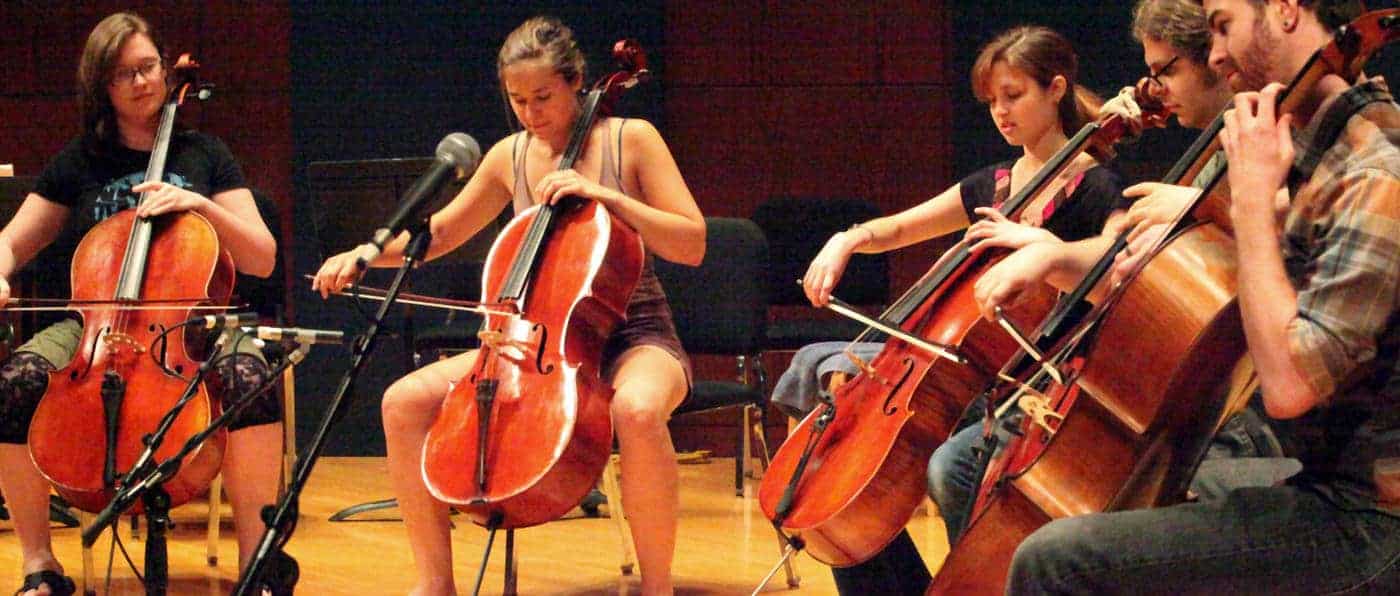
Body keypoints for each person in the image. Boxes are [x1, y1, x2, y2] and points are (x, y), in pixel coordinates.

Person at [993, 0, 1400, 592]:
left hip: (1366, 517)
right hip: (1325, 480)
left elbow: (1288, 386)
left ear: (1285, 12)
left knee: (1056, 562)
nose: (1213, 54)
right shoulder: (1330, 151)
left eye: (1223, 26)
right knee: (1108, 493)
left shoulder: (1373, 174)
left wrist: (1253, 205)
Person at [312, 16, 704, 596]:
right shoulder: (510, 156)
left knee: (639, 413)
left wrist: (607, 196)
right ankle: (435, 583)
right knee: (402, 402)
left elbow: (691, 242)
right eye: (517, 100)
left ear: (576, 82)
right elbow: (439, 234)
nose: (530, 113)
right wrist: (365, 254)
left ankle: (657, 587)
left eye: (543, 97)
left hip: (633, 333)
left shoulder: (632, 139)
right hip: (536, 340)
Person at [770, 25, 1128, 594]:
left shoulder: (1098, 187)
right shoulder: (996, 183)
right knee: (819, 377)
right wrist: (847, 238)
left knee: (941, 463)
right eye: (991, 101)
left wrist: (1037, 246)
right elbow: (900, 227)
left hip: (1034, 380)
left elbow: (1118, 262)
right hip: (960, 366)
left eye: (1014, 96)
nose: (1000, 112)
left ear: (1056, 89)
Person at [0, 12, 284, 596]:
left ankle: (258, 563)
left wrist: (200, 204)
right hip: (95, 327)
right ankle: (39, 565)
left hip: (189, 323)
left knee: (250, 376)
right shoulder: (80, 161)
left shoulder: (206, 154)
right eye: (122, 73)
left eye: (147, 66)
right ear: (100, 87)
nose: (140, 82)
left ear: (164, 66)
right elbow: (11, 239)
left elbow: (261, 257)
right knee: (13, 382)